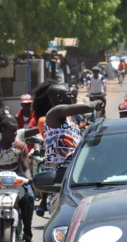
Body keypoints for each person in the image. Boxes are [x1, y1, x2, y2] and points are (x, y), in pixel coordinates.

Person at [36, 84, 103, 215]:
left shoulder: (70, 120)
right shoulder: (54, 113)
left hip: (74, 165)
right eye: (69, 94)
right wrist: (93, 104)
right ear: (59, 98)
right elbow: (85, 107)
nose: (72, 96)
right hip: (60, 169)